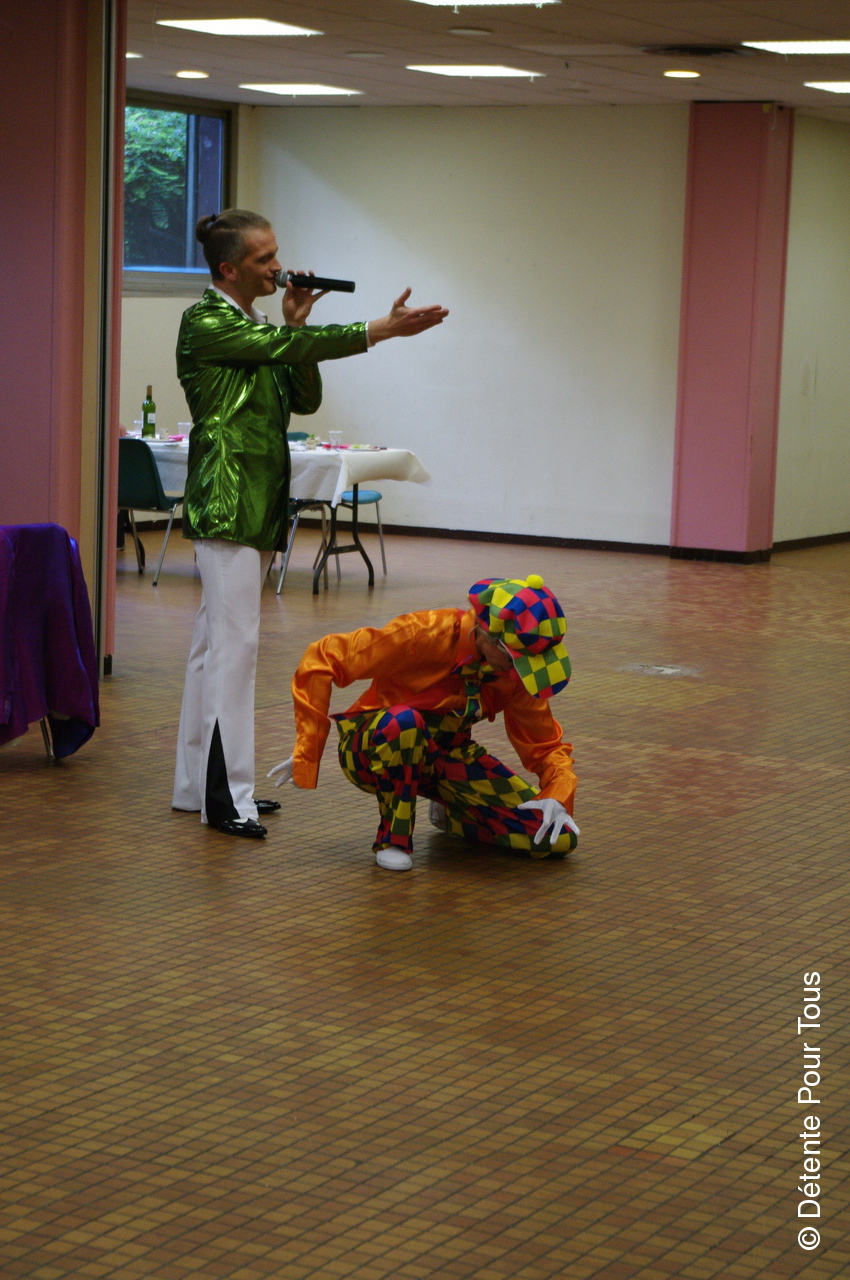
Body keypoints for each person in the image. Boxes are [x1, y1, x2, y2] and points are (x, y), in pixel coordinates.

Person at [172, 208, 448, 838]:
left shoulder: (255, 325)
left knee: (213, 646)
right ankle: (228, 797)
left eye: (276, 253)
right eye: (265, 259)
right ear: (229, 269)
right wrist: (379, 329)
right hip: (229, 500)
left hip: (255, 501)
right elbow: (287, 352)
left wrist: (296, 322)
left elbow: (303, 396)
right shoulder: (207, 321)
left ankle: (196, 787)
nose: (279, 267)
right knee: (234, 650)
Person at [268, 575, 579, 870]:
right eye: (515, 661)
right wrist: (307, 750)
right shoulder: (422, 632)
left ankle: (452, 815)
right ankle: (394, 840)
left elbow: (545, 744)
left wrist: (557, 792)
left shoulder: (516, 675)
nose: (517, 673)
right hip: (373, 749)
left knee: (555, 835)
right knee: (405, 722)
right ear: (489, 636)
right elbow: (322, 657)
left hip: (445, 755)